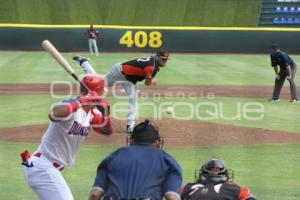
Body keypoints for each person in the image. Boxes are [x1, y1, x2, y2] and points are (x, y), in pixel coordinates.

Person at [21, 74, 114, 200]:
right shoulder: (69, 105)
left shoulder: (92, 113)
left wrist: (105, 114)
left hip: (49, 169)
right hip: (43, 167)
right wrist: (81, 101)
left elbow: (107, 131)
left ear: (81, 89)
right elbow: (54, 114)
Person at [73, 49, 169, 133]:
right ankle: (84, 62)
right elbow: (147, 83)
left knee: (134, 99)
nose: (164, 61)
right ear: (157, 57)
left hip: (129, 79)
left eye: (166, 59)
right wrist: (153, 81)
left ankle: (130, 126)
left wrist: (150, 80)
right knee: (99, 83)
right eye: (163, 59)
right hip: (119, 72)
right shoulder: (151, 67)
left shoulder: (152, 61)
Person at [88, 119, 182, 200]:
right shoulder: (167, 161)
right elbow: (172, 197)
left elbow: (95, 195)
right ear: (157, 142)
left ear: (131, 140)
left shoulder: (113, 157)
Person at [181, 158, 256, 200]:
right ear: (225, 174)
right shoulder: (236, 189)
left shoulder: (186, 188)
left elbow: (172, 195)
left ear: (202, 173)